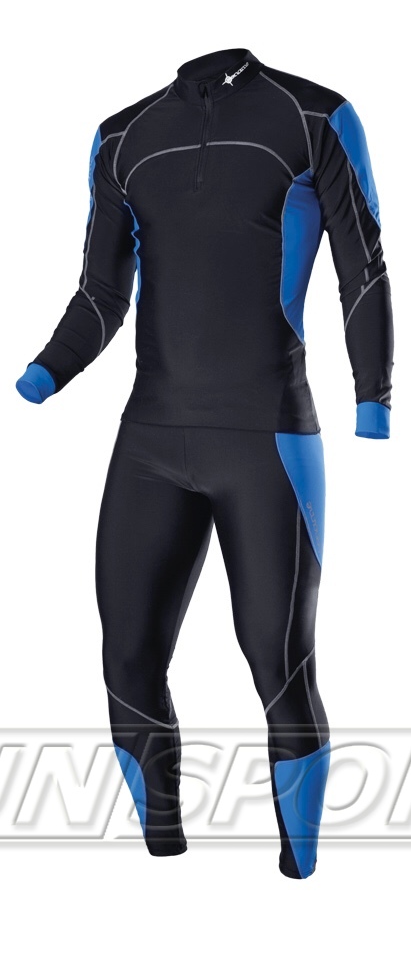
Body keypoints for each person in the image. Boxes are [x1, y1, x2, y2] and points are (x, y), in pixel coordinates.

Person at [16, 47, 394, 878]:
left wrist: (373, 398)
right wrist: (47, 370)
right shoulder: (122, 136)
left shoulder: (314, 115)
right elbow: (101, 293)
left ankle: (299, 871)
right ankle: (163, 846)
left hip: (268, 439)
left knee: (278, 662)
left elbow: (361, 266)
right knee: (126, 657)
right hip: (148, 440)